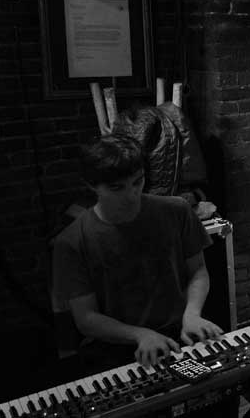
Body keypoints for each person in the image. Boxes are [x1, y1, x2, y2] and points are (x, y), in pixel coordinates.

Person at [52, 134, 223, 371]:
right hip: (117, 347)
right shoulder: (72, 241)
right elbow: (86, 318)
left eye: (137, 182)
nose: (131, 194)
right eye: (116, 188)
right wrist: (140, 335)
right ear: (92, 186)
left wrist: (192, 314)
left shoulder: (177, 211)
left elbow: (198, 271)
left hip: (180, 330)